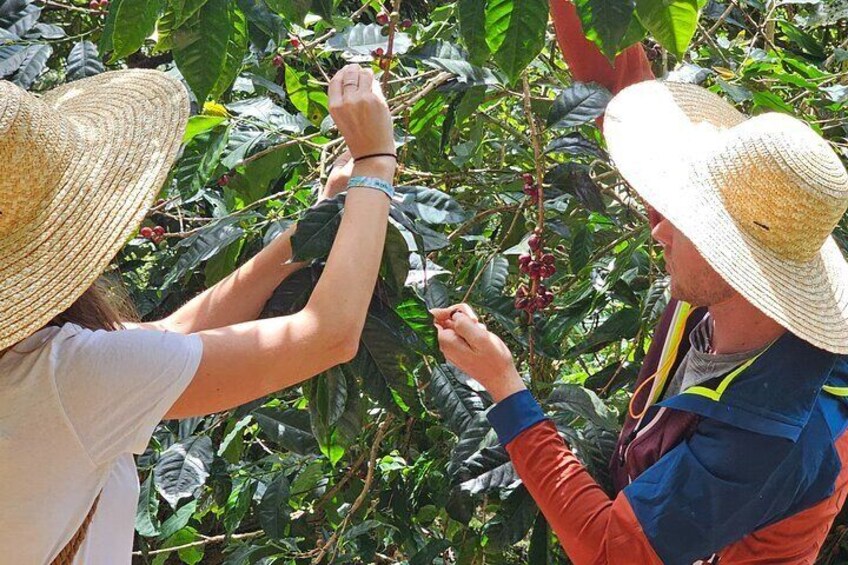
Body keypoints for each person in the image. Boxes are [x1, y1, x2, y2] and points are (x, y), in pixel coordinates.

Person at [434, 2, 848, 563]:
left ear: (737, 263)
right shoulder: (737, 276)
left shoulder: (769, 441)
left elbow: (609, 551)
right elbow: (619, 87)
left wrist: (504, 388)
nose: (658, 229)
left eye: (688, 218)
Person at [0, 64, 394, 564]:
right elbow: (327, 334)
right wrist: (375, 165)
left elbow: (166, 336)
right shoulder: (66, 378)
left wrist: (308, 234)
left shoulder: (40, 367)